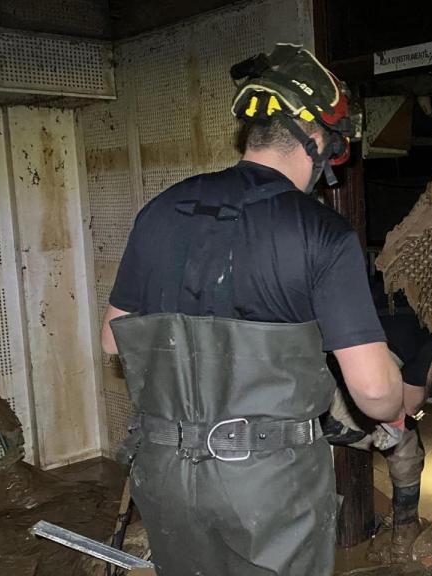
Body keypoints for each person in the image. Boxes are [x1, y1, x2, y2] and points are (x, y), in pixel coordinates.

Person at [100, 44, 405, 576]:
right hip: (267, 485)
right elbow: (376, 395)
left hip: (165, 471)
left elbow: (113, 340)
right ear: (316, 142)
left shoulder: (160, 210)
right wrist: (398, 398)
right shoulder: (321, 233)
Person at [322, 278, 432, 561]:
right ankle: (404, 536)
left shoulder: (375, 291)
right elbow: (412, 401)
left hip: (304, 390)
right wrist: (415, 417)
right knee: (406, 445)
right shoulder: (429, 333)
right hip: (334, 410)